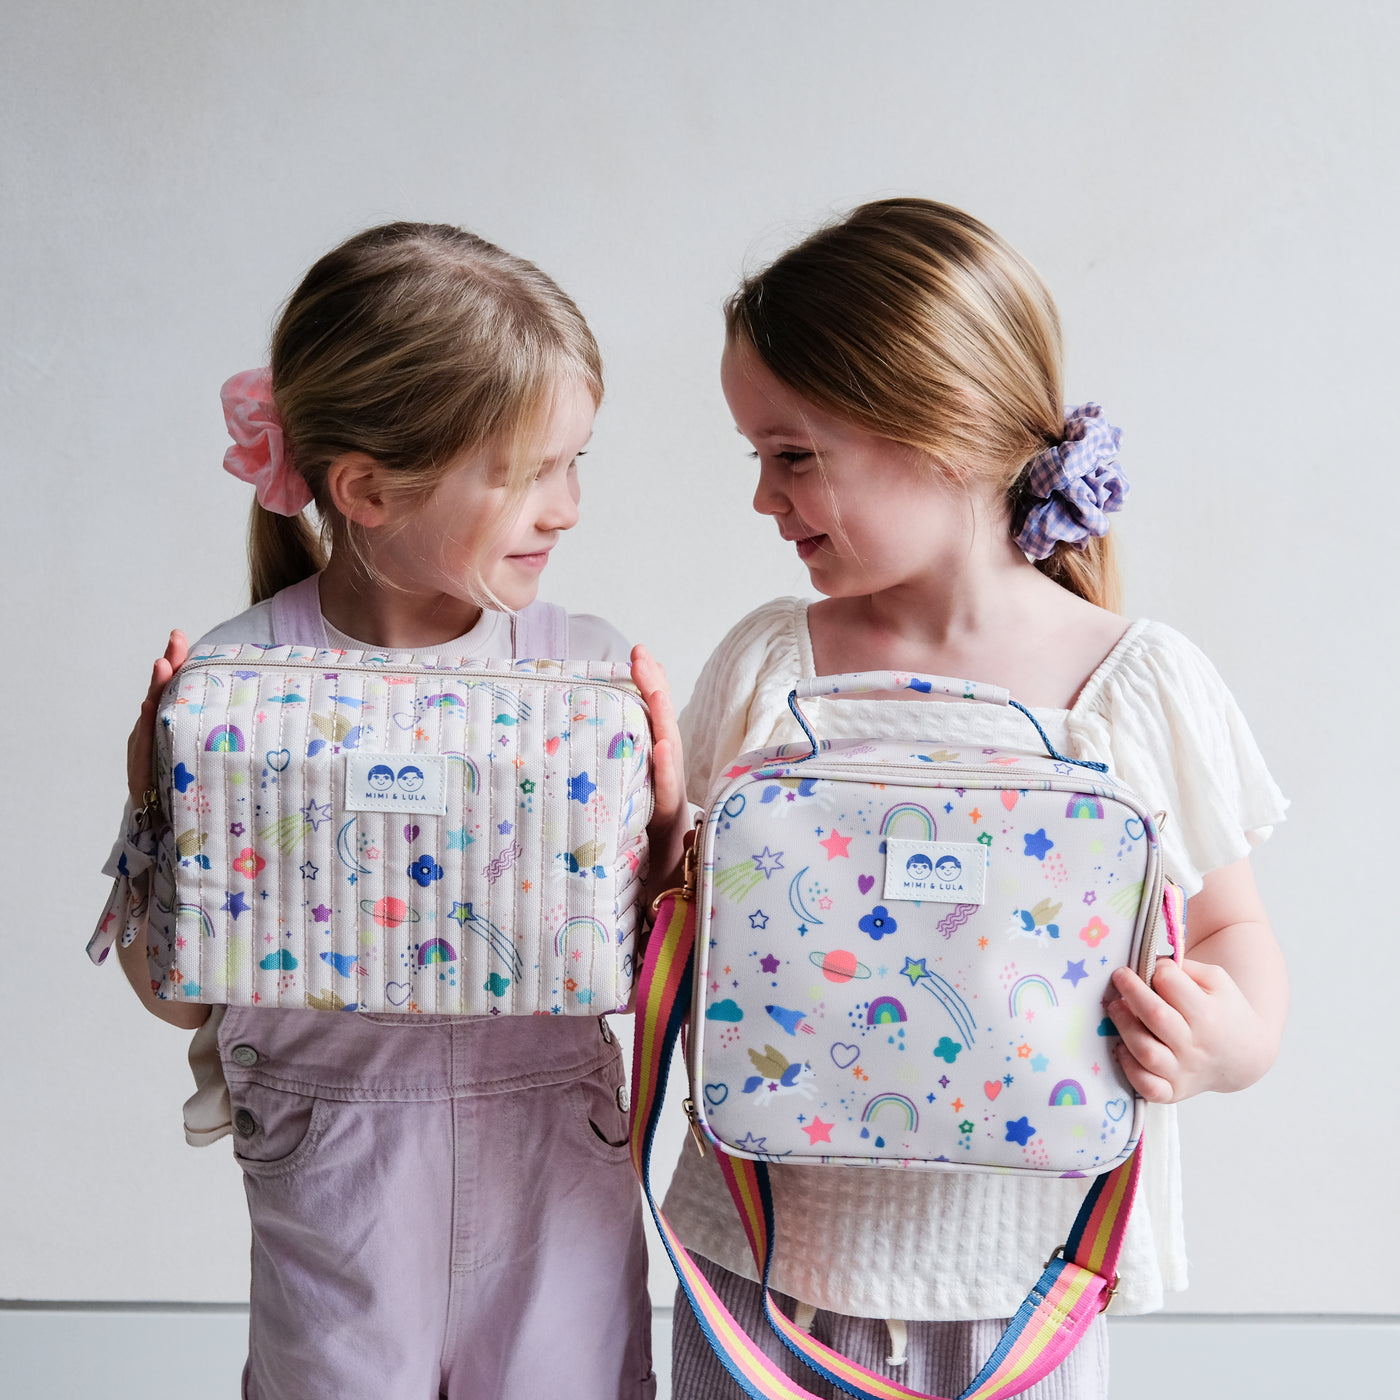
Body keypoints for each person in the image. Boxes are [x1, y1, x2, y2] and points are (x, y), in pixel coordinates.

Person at [662, 198, 1288, 1400]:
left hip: (1023, 1277)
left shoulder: (1133, 684)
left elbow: (1232, 931)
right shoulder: (770, 664)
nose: (762, 498)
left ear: (939, 431)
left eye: (791, 455)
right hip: (765, 1255)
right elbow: (679, 902)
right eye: (756, 457)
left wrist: (1226, 1041)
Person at [107, 222, 685, 1400]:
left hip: (552, 1158)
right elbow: (178, 994)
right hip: (336, 1161)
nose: (565, 507)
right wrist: (150, 813)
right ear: (367, 487)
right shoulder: (236, 679)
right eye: (526, 471)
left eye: (577, 462)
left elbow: (645, 974)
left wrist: (670, 841)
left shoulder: (582, 669)